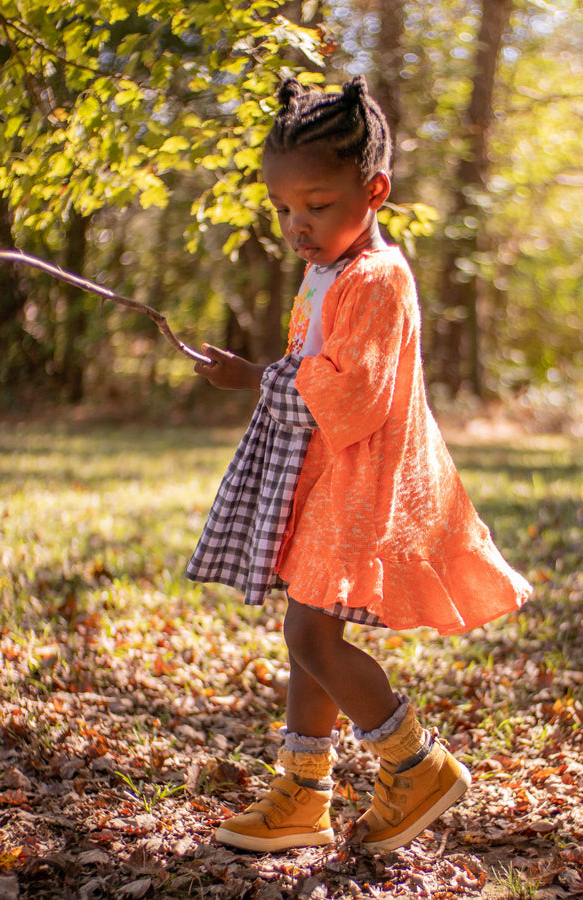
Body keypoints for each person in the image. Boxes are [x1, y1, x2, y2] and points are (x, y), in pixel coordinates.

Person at [186, 76, 532, 854]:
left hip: (363, 480)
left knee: (312, 637)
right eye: (285, 210)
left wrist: (255, 377)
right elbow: (315, 367)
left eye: (317, 204)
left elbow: (356, 396)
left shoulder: (378, 277)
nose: (298, 225)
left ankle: (416, 765)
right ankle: (303, 795)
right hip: (325, 479)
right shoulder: (327, 270)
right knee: (304, 629)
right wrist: (263, 372)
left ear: (372, 190)